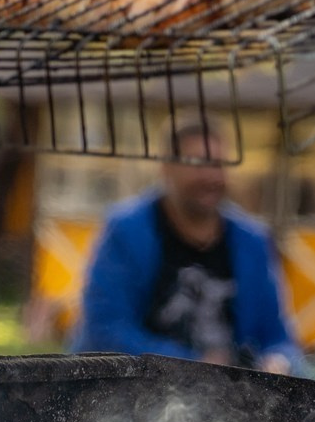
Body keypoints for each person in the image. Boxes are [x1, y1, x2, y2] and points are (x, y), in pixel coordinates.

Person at [72, 124, 301, 372]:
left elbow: (278, 337)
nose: (211, 177)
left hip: (228, 398)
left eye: (218, 164)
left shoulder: (252, 240)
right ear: (166, 168)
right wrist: (193, 365)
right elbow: (106, 329)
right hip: (132, 392)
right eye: (196, 164)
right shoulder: (126, 230)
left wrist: (279, 362)